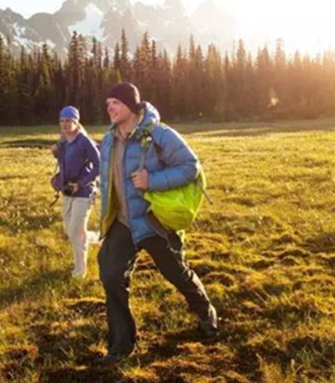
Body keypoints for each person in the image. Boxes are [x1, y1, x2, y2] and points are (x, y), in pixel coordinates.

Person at [95, 82, 218, 365]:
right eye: (107, 104)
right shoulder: (110, 139)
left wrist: (153, 181)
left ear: (131, 105)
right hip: (124, 222)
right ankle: (121, 346)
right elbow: (109, 183)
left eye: (115, 102)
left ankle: (205, 312)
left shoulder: (159, 134)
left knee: (176, 272)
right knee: (112, 276)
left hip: (154, 221)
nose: (109, 108)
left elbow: (190, 167)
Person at [50, 106, 100, 279]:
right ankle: (97, 237)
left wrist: (81, 183)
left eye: (68, 121)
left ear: (76, 121)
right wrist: (56, 155)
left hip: (83, 193)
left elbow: (99, 165)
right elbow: (66, 163)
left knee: (75, 233)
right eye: (62, 121)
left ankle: (79, 271)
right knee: (71, 230)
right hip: (67, 192)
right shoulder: (63, 140)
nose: (64, 124)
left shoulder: (84, 141)